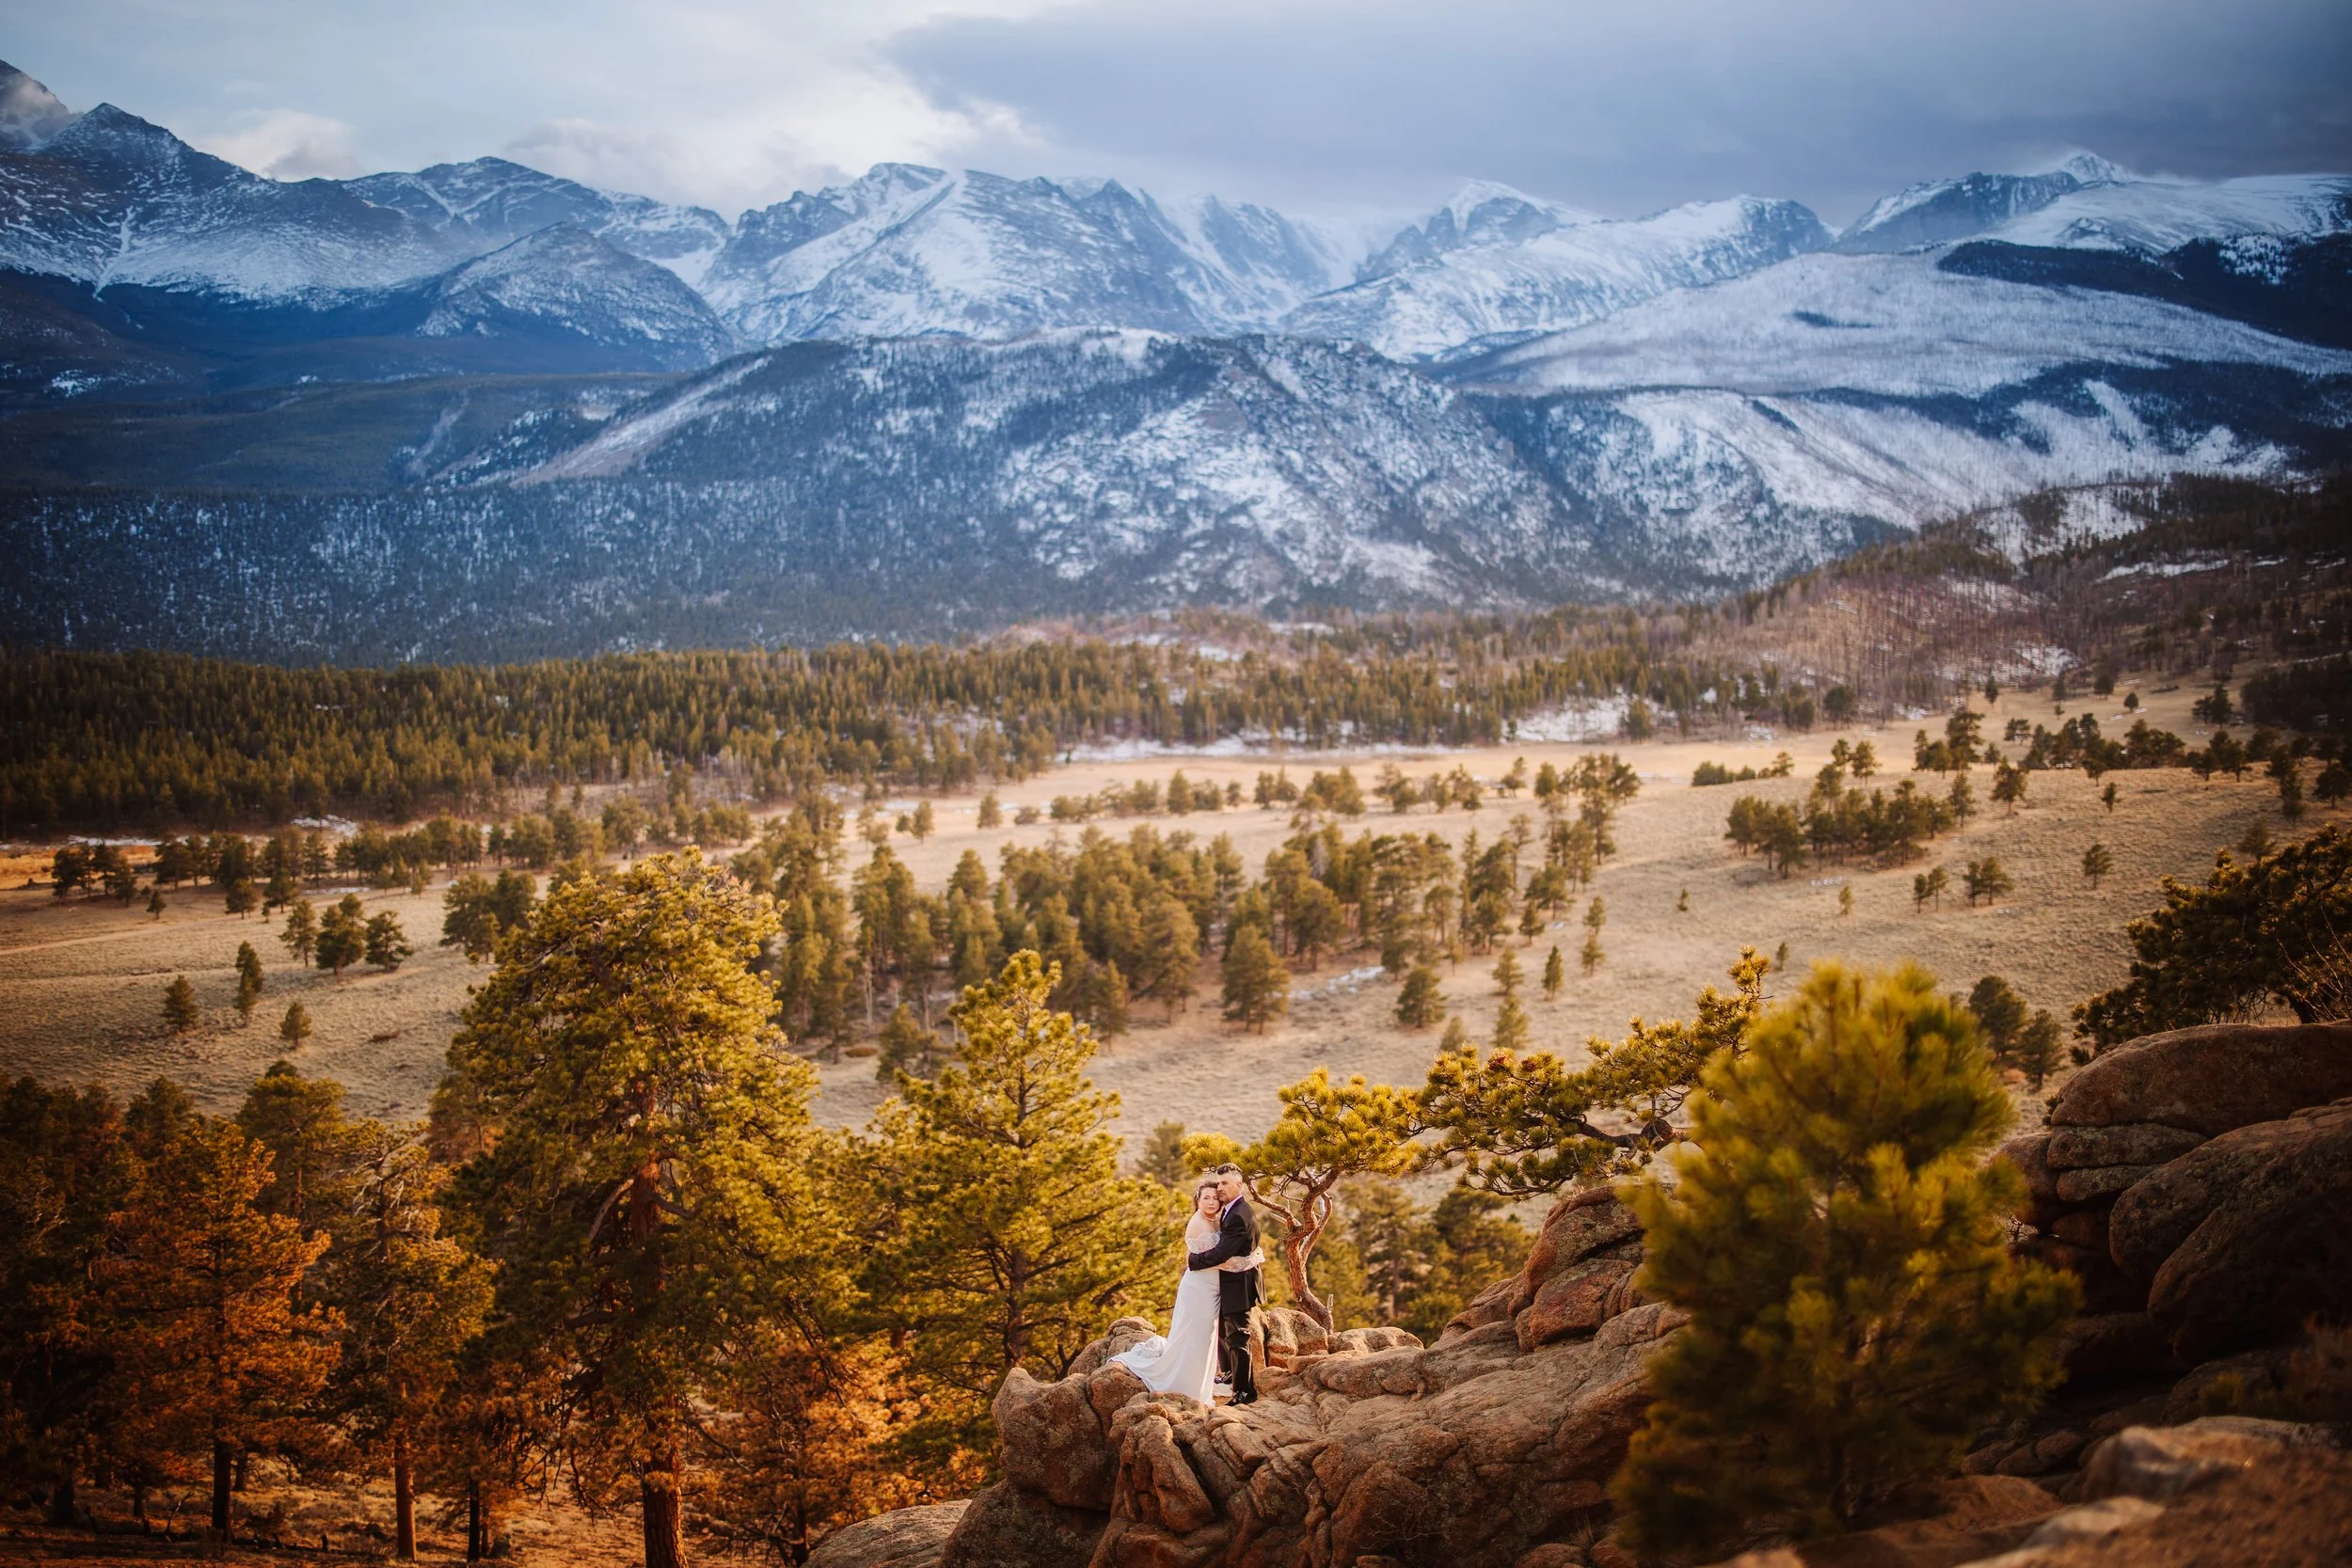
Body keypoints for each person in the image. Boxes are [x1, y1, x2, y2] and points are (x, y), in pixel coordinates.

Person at [1111, 1177, 1263, 1402]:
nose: (1211, 1202)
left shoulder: (1218, 1219)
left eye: (1215, 1197)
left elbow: (1228, 1249)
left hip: (1213, 1287)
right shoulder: (1199, 1223)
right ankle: (1186, 1382)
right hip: (1200, 1287)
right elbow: (1219, 1259)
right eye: (1206, 1198)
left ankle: (1206, 1379)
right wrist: (1251, 1259)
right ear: (1198, 1200)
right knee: (1198, 1336)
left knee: (1207, 1337)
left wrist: (1251, 1256)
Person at [1187, 1163, 1264, 1404]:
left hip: (1238, 1284)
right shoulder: (1232, 1210)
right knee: (1226, 1333)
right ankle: (1231, 1376)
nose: (1220, 1188)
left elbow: (1221, 1253)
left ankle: (1244, 1393)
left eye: (1224, 1184)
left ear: (1238, 1185)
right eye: (1218, 1183)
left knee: (1238, 1337)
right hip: (1230, 1282)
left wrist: (1193, 1260)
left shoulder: (1239, 1216)